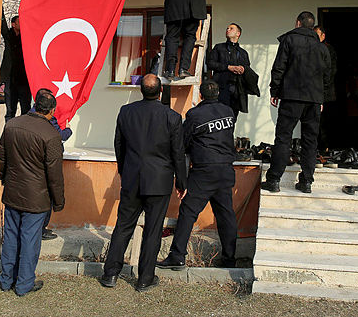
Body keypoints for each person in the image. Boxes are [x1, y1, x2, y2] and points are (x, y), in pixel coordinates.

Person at [100, 74, 187, 292]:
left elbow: (118, 145)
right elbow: (178, 153)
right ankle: (145, 279)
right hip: (159, 180)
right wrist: (182, 182)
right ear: (160, 92)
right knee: (153, 230)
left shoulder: (126, 111)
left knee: (123, 226)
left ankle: (110, 274)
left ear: (141, 90)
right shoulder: (172, 117)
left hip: (132, 178)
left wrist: (123, 170)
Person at [157, 80, 238, 270]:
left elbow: (183, 142)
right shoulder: (229, 112)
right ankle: (229, 259)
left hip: (204, 171)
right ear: (218, 94)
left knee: (188, 212)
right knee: (226, 216)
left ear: (200, 95)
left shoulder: (195, 115)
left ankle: (177, 256)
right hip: (225, 170)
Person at [0, 89, 64, 297]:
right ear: (51, 111)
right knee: (29, 241)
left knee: (10, 237)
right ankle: (24, 284)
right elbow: (55, 174)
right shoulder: (51, 135)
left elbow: (2, 159)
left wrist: (4, 179)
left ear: (36, 106)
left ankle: (6, 280)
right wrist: (58, 201)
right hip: (37, 198)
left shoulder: (12, 125)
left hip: (13, 192)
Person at [263, 12, 332, 194]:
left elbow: (279, 67)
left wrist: (274, 91)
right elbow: (327, 77)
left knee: (283, 137)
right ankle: (307, 182)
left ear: (298, 23)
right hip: (314, 99)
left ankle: (274, 180)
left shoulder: (289, 40)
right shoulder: (322, 48)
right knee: (310, 141)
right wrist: (321, 98)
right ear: (312, 26)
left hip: (292, 96)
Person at [28, 101, 72, 241]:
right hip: (43, 168)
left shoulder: (26, 120)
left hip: (29, 170)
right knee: (45, 200)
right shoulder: (49, 121)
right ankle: (40, 230)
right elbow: (59, 137)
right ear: (51, 110)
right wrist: (68, 130)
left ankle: (36, 229)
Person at [207, 23, 251, 121]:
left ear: (238, 33)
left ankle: (230, 136)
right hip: (221, 89)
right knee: (219, 117)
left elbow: (248, 70)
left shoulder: (243, 53)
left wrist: (243, 69)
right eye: (227, 28)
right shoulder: (219, 48)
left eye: (231, 28)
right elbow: (210, 64)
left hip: (237, 90)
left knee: (232, 118)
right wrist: (228, 67)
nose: (228, 30)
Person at [1, 9, 31, 122]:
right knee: (10, 111)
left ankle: (24, 134)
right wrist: (0, 9)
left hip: (24, 79)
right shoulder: (9, 36)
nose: (23, 24)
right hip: (10, 80)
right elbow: (2, 25)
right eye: (20, 22)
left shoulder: (27, 37)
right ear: (13, 24)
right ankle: (9, 134)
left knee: (26, 110)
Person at [313, 25, 338, 150]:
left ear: (323, 36)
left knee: (325, 123)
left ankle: (326, 148)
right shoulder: (310, 49)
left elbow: (331, 71)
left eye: (317, 35)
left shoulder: (328, 50)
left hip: (326, 93)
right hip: (311, 93)